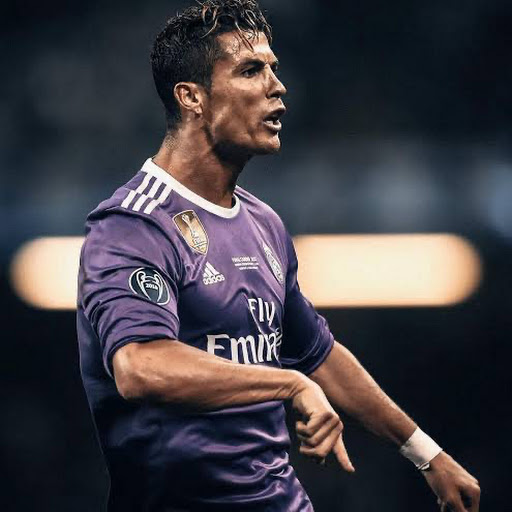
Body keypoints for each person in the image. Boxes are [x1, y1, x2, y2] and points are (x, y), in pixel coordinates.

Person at [77, 1, 480, 510]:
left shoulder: (263, 223)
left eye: (273, 68)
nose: (278, 86)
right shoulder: (133, 225)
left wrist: (427, 454)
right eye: (250, 70)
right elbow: (140, 366)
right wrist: (288, 384)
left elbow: (318, 354)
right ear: (191, 97)